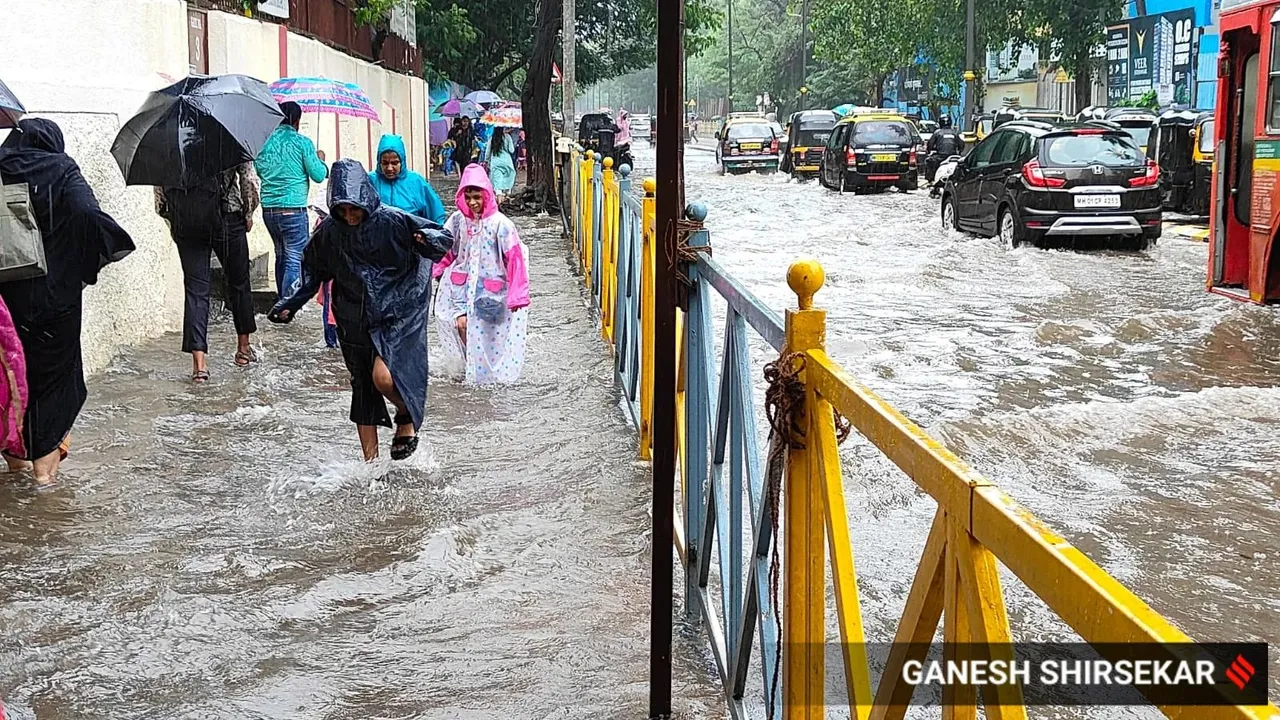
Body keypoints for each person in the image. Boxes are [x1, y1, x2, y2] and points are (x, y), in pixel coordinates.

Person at [269, 159, 453, 462]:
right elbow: (312, 272)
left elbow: (442, 240)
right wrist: (290, 304)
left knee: (383, 376)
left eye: (355, 208)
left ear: (367, 198)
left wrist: (427, 240)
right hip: (353, 317)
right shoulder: (329, 232)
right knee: (363, 388)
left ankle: (406, 412)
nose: (350, 216)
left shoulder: (394, 221)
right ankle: (371, 467)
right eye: (342, 210)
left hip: (399, 309)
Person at [0, 118, 136, 487]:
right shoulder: (61, 169)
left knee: (15, 380)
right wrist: (88, 262)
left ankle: (16, 472)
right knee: (55, 385)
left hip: (6, 303)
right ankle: (44, 481)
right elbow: (89, 216)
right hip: (55, 300)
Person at [155, 162, 260, 383]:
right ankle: (242, 350)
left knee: (195, 291)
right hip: (228, 218)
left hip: (188, 222)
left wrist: (174, 222)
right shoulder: (229, 134)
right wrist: (248, 214)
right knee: (238, 283)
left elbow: (160, 194)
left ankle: (199, 366)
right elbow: (249, 180)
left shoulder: (170, 141)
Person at [432, 164, 529, 385]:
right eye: (468, 197)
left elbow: (515, 260)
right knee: (462, 325)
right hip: (461, 287)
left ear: (486, 194)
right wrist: (433, 270)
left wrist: (517, 295)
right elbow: (447, 248)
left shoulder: (501, 225)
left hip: (491, 291)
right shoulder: (458, 220)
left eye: (477, 196)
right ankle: (469, 367)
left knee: (490, 336)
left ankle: (486, 376)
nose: (473, 202)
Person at [254, 100, 328, 298]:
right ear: (296, 120)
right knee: (294, 258)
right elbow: (319, 175)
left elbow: (259, 170)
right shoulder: (302, 143)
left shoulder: (264, 143)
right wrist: (320, 160)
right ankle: (288, 305)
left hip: (269, 209)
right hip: (293, 209)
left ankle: (281, 298)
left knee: (281, 254)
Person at [369, 134, 447, 224]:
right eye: (385, 163)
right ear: (379, 162)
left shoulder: (416, 182)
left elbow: (436, 217)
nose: (389, 168)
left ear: (402, 161)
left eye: (395, 163)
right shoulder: (370, 182)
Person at [924, 115, 964, 182]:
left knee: (928, 161)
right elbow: (962, 145)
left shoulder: (937, 132)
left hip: (940, 157)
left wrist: (928, 151)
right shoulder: (955, 132)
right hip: (953, 156)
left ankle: (930, 180)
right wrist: (959, 152)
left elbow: (930, 144)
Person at [487, 127, 517, 203]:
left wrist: (486, 161)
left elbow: (487, 153)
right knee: (508, 180)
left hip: (495, 163)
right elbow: (511, 150)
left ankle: (499, 204)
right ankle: (508, 198)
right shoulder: (507, 137)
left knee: (497, 184)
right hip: (507, 162)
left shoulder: (492, 138)